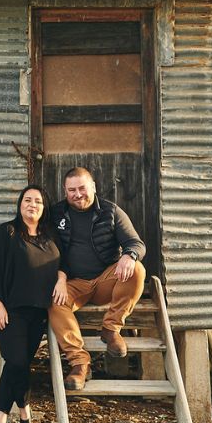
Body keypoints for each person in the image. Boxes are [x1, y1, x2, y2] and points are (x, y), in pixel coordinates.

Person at [0, 185, 68, 423]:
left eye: (37, 201)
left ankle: (9, 422)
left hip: (38, 312)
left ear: (44, 207)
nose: (32, 205)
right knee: (16, 362)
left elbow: (64, 263)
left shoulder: (50, 235)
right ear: (20, 204)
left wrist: (61, 279)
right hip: (10, 311)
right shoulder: (7, 232)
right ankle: (15, 417)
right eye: (27, 200)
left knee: (21, 365)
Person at [48, 167, 147, 390]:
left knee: (137, 270)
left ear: (93, 187)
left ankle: (111, 329)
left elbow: (136, 243)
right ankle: (80, 364)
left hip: (105, 281)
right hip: (73, 284)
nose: (77, 194)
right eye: (71, 190)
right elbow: (47, 250)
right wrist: (60, 277)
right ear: (65, 191)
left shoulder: (110, 212)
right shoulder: (55, 214)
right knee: (53, 302)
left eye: (82, 188)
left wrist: (129, 256)